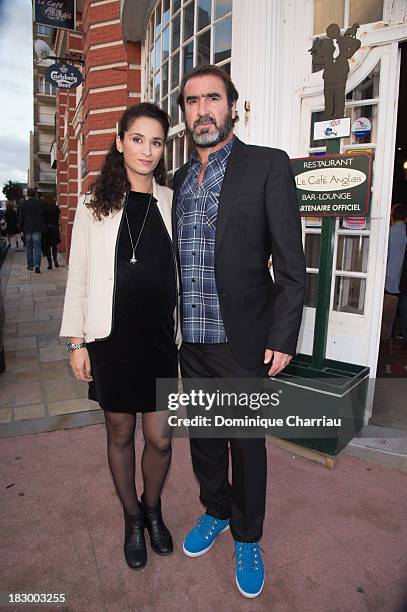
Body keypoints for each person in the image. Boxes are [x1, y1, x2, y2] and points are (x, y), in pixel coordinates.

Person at [173, 65, 306, 598]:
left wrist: (283, 335)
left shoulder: (267, 166)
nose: (202, 110)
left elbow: (292, 267)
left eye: (212, 99)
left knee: (247, 444)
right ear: (183, 114)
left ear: (232, 106)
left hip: (244, 340)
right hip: (191, 341)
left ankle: (248, 535)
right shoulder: (178, 180)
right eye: (191, 102)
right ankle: (216, 511)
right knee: (204, 440)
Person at [60, 103, 181, 571]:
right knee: (120, 430)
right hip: (111, 340)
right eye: (138, 139)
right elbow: (77, 279)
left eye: (156, 142)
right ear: (120, 140)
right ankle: (133, 518)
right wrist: (76, 342)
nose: (147, 150)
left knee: (161, 438)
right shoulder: (93, 206)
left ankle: (153, 508)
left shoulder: (171, 200)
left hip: (159, 342)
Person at [381, 203, 407, 343]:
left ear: (392, 216)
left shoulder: (390, 232)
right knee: (402, 310)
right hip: (402, 279)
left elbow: (385, 256)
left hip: (389, 278)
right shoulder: (403, 232)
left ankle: (386, 336)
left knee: (387, 312)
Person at [18, 188, 46, 273]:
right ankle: (37, 266)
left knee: (29, 247)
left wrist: (21, 228)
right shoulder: (41, 203)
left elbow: (21, 218)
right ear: (35, 194)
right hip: (38, 228)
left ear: (27, 194)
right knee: (37, 247)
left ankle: (30, 265)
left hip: (27, 228)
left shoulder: (23, 204)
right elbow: (44, 215)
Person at [43, 195, 61, 269]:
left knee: (47, 247)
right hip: (54, 229)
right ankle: (55, 260)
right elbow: (59, 219)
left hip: (47, 229)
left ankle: (50, 264)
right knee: (54, 247)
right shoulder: (56, 208)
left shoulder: (44, 209)